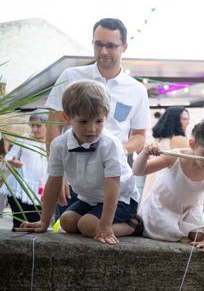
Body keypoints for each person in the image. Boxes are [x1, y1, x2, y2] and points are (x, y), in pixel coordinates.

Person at [45, 18, 150, 206]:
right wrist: (57, 174)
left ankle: (132, 224)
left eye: (111, 46)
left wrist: (117, 150)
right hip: (73, 177)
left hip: (112, 179)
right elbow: (53, 126)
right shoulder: (71, 76)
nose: (103, 52)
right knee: (67, 228)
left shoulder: (137, 89)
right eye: (98, 44)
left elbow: (140, 136)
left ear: (124, 46)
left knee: (99, 228)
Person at [21, 80, 141, 244]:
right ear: (67, 117)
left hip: (122, 198)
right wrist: (44, 220)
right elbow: (53, 182)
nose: (91, 129)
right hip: (90, 198)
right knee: (67, 221)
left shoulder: (110, 144)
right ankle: (97, 221)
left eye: (98, 121)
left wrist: (105, 226)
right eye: (83, 121)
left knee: (88, 225)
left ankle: (133, 225)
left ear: (106, 117)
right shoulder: (59, 144)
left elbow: (113, 185)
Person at [133, 118, 204, 253]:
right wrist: (145, 153)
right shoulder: (175, 157)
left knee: (201, 235)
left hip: (190, 212)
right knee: (165, 231)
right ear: (192, 144)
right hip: (163, 208)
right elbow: (139, 171)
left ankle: (187, 232)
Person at [0, 113, 48, 229]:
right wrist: (13, 162)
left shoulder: (52, 143)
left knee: (36, 224)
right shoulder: (24, 139)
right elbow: (8, 157)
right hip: (20, 189)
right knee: (20, 224)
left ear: (47, 126)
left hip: (41, 192)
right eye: (32, 126)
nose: (34, 129)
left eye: (38, 126)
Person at [140, 106, 190, 203]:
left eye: (188, 119)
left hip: (151, 184)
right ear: (174, 121)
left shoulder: (157, 140)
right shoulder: (179, 139)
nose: (187, 122)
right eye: (184, 119)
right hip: (167, 187)